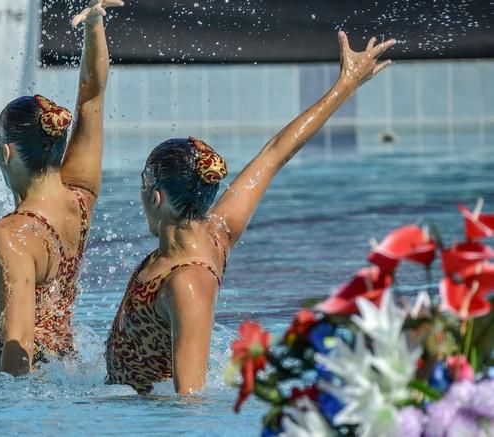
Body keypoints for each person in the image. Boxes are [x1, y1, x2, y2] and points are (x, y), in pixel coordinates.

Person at [105, 31, 396, 394]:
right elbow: (274, 154)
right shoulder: (216, 232)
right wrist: (346, 83)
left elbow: (188, 403)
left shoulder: (187, 283)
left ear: (158, 197)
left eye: (142, 188)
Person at [0, 0, 123, 376]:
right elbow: (92, 97)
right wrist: (95, 27)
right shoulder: (80, 198)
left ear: (6, 152)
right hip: (62, 368)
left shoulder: (11, 234)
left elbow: (17, 343)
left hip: (19, 381)